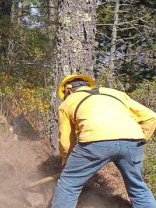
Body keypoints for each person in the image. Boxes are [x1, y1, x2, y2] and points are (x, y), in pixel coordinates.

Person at [51, 74, 156, 208]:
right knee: (138, 188)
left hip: (94, 142)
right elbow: (152, 117)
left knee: (69, 184)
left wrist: (66, 160)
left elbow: (66, 141)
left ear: (68, 90)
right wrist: (139, 141)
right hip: (133, 141)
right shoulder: (116, 94)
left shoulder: (68, 101)